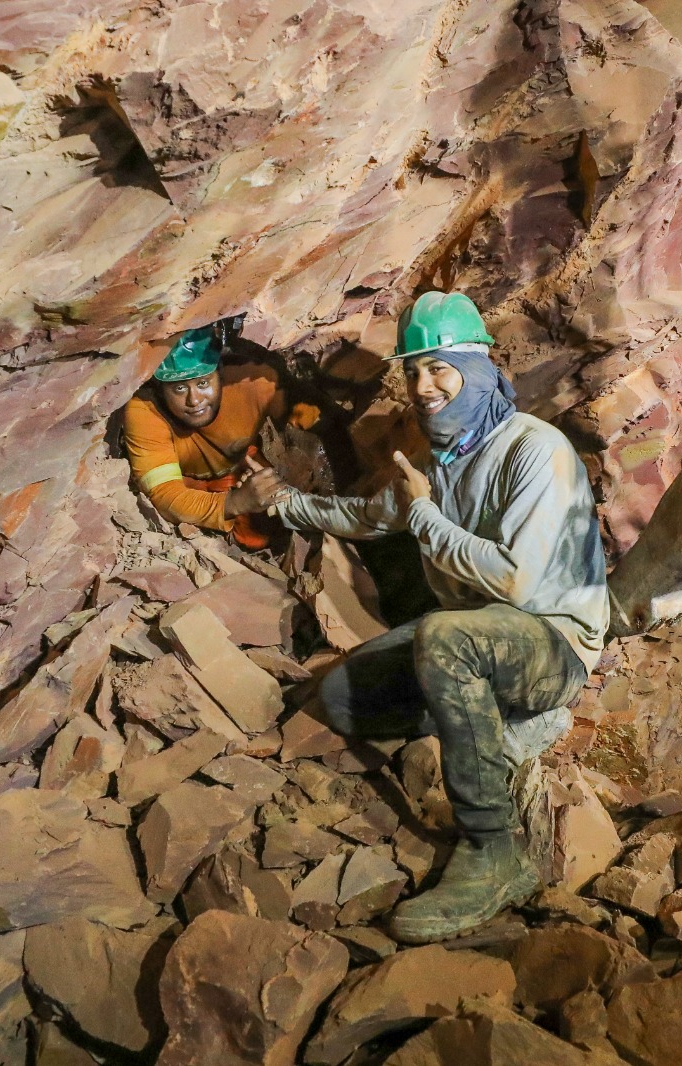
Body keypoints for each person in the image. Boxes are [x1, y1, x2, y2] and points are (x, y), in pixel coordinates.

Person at [234, 291, 608, 942]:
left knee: (444, 638)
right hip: (476, 641)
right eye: (412, 371)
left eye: (438, 367)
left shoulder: (534, 452)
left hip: (553, 647)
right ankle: (488, 720)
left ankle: (493, 849)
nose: (422, 385)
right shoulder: (444, 459)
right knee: (345, 699)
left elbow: (514, 580)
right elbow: (368, 517)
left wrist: (427, 517)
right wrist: (286, 504)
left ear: (479, 365)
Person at [123, 324, 312, 549]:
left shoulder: (253, 380)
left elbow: (323, 420)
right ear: (159, 388)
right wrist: (234, 503)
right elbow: (165, 495)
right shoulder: (143, 410)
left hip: (240, 461)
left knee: (265, 536)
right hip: (186, 478)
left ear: (220, 373)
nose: (194, 400)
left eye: (203, 383)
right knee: (198, 525)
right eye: (179, 389)